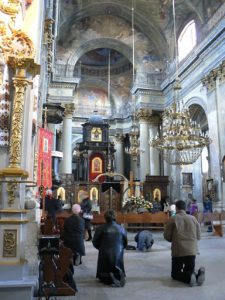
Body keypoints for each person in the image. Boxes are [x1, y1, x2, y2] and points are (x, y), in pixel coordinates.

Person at [164, 200, 205, 287]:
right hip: (192, 250)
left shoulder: (173, 219)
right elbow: (199, 236)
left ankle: (191, 276)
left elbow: (167, 236)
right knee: (189, 270)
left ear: (176, 208)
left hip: (178, 251)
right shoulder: (193, 218)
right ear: (185, 208)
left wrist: (174, 239)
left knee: (175, 274)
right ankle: (197, 275)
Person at [92, 210, 127, 287]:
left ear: (105, 218)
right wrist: (120, 249)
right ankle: (119, 275)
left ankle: (109, 277)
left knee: (103, 274)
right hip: (118, 252)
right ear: (115, 217)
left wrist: (101, 248)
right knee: (117, 266)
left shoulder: (100, 228)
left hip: (104, 252)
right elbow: (125, 243)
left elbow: (94, 242)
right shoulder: (121, 228)